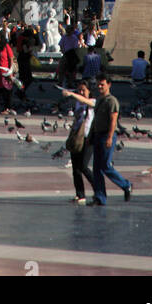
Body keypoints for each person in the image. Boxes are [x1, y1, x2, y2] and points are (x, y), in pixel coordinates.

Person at [67, 75, 131, 206]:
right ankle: (100, 197)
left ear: (109, 85)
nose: (100, 86)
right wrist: (91, 136)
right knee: (96, 168)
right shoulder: (100, 99)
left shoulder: (111, 101)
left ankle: (126, 185)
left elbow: (113, 121)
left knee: (105, 166)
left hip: (106, 135)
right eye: (98, 84)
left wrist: (110, 137)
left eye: (102, 84)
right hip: (97, 135)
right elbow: (95, 120)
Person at [63, 79, 95, 204]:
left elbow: (86, 101)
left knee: (83, 166)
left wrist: (72, 94)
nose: (81, 92)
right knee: (75, 168)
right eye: (79, 90)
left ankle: (98, 188)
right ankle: (80, 195)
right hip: (77, 137)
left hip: (88, 138)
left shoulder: (93, 102)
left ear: (89, 91)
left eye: (83, 90)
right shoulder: (78, 103)